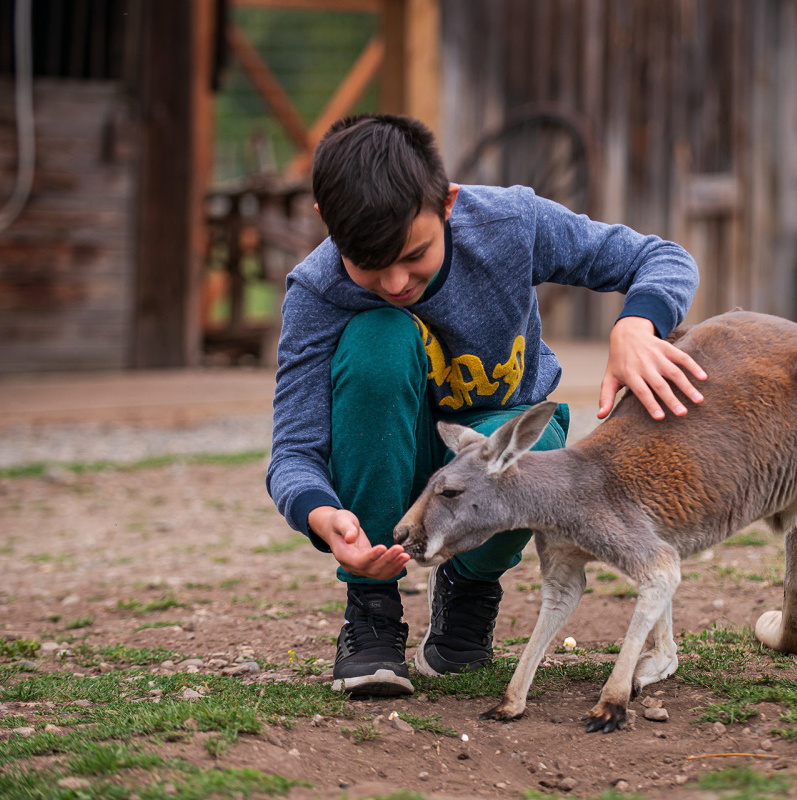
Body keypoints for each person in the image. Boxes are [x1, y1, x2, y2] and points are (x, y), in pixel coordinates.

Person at [266, 113, 705, 696]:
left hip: (489, 450)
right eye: (369, 266)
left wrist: (637, 325)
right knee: (380, 341)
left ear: (446, 204)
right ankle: (372, 612)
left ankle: (469, 590)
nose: (396, 281)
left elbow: (663, 258)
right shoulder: (318, 289)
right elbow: (293, 450)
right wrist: (321, 512)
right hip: (389, 455)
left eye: (413, 254)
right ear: (325, 222)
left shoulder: (507, 223)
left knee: (536, 446)